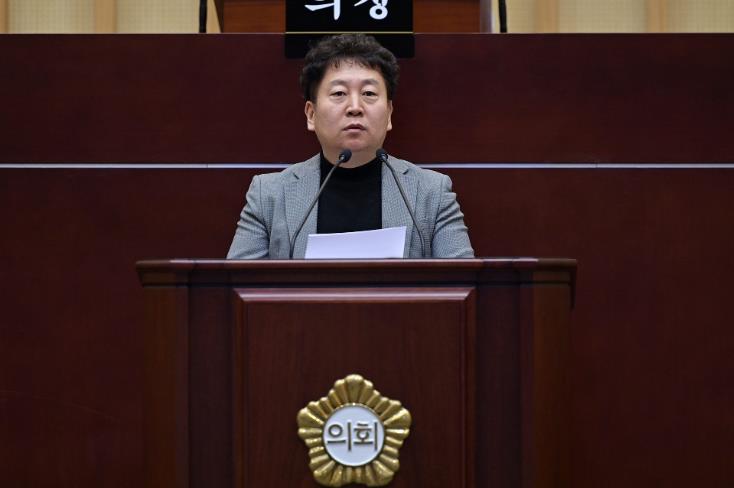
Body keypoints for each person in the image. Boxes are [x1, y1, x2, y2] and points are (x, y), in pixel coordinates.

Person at [227, 34, 473, 259]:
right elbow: (238, 287)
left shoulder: (432, 193)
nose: (355, 107)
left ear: (389, 114)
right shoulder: (269, 196)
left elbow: (462, 285)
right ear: (311, 114)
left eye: (369, 93)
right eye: (339, 93)